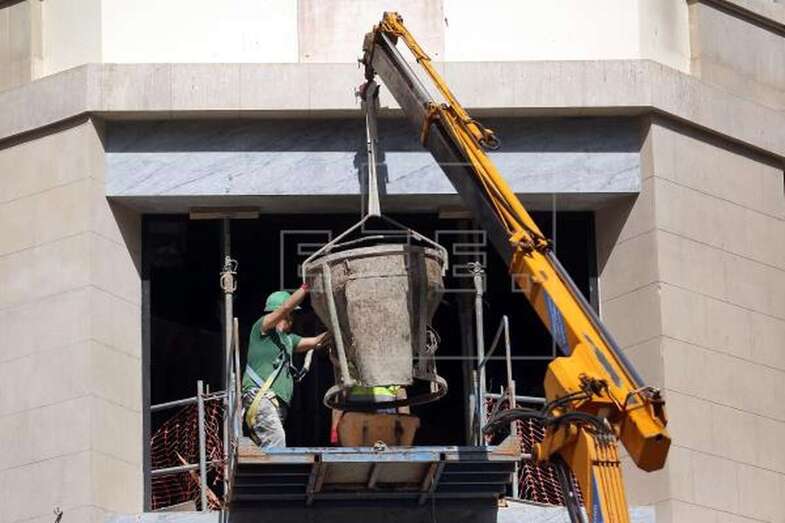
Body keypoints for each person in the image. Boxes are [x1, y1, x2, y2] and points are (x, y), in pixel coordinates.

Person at [242, 284, 330, 448]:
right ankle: (275, 473)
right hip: (262, 398)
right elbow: (285, 306)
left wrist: (338, 328)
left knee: (273, 443)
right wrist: (306, 287)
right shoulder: (262, 328)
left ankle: (270, 472)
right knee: (276, 443)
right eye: (291, 314)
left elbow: (317, 341)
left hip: (275, 403)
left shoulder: (288, 340)